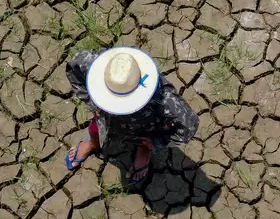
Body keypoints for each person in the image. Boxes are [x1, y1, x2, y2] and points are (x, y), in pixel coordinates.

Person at [63, 47, 199, 184]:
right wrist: (93, 104)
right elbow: (73, 69)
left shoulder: (163, 97)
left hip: (144, 127)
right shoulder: (97, 67)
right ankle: (93, 143)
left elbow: (190, 124)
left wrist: (156, 142)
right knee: (95, 129)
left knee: (144, 141)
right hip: (105, 118)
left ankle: (144, 151)